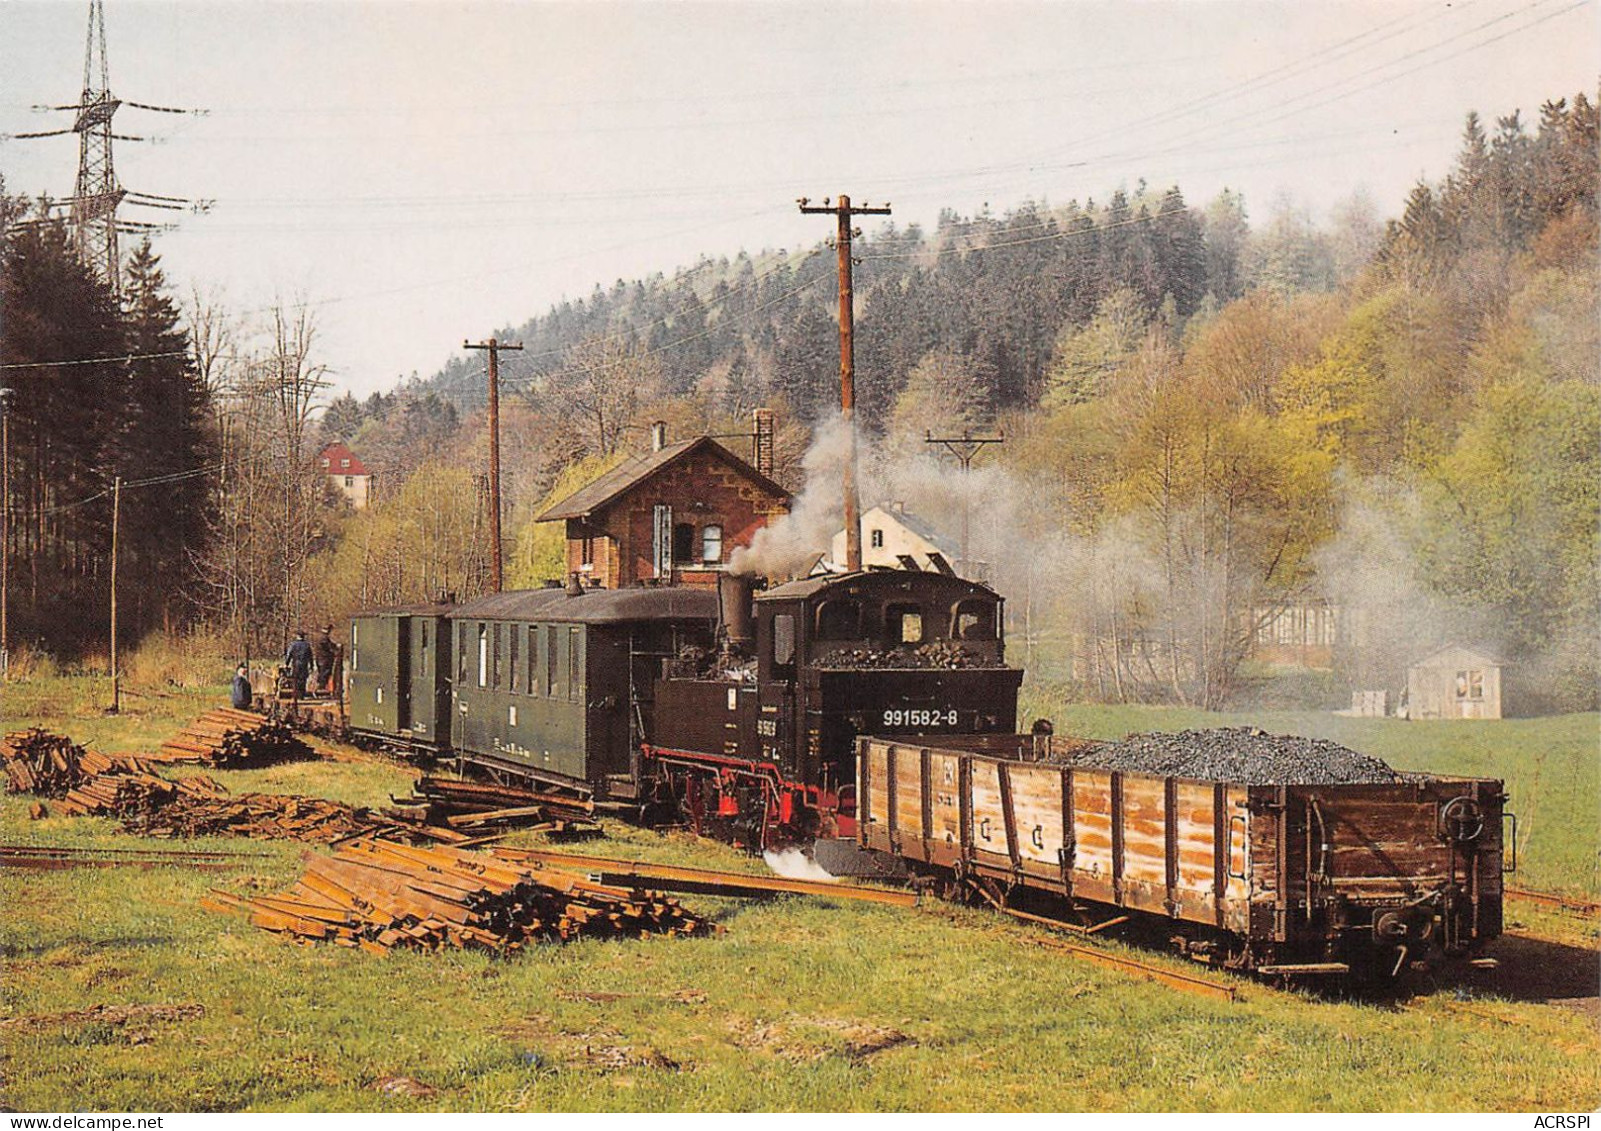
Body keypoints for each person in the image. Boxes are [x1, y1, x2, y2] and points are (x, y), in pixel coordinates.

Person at [285, 631, 313, 697]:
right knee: (303, 680)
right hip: (304, 664)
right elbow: (310, 656)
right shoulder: (307, 645)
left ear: (297, 636)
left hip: (295, 664)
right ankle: (302, 695)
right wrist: (311, 665)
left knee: (295, 679)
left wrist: (287, 663)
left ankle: (296, 694)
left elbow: (289, 654)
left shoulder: (293, 645)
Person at [313, 625, 336, 695]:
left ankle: (320, 689)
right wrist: (334, 649)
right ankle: (320, 690)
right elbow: (328, 646)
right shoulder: (324, 639)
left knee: (323, 674)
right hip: (324, 659)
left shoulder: (323, 638)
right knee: (324, 674)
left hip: (321, 659)